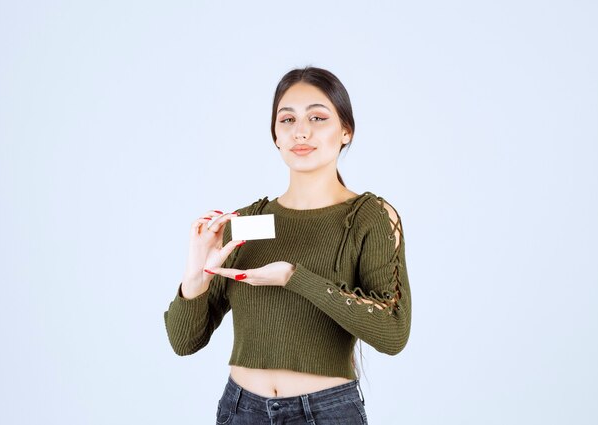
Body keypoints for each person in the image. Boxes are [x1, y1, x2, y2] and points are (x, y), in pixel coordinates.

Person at [163, 66, 412, 424]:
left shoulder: (369, 217)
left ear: (346, 131)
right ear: (276, 136)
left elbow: (393, 332)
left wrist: (294, 277)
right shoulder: (247, 222)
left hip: (326, 412)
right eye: (288, 119)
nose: (301, 131)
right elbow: (184, 342)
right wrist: (195, 274)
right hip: (241, 410)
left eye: (317, 117)